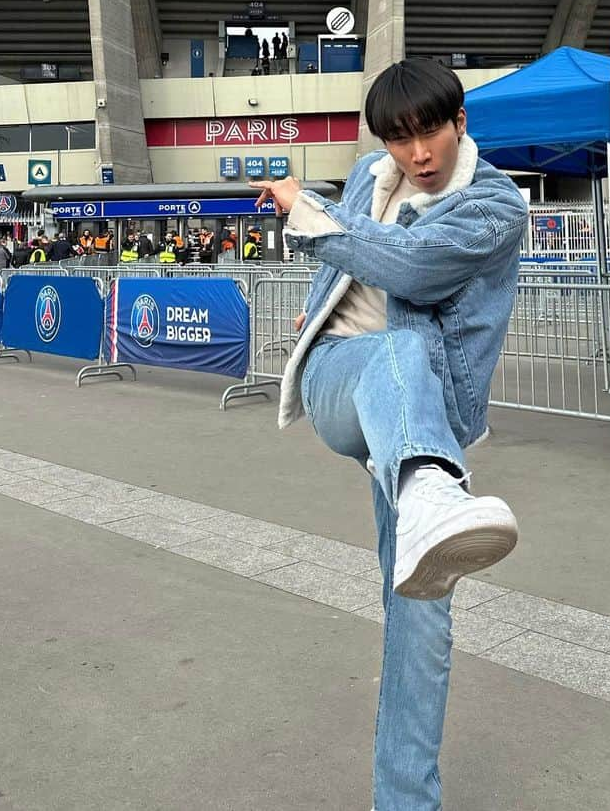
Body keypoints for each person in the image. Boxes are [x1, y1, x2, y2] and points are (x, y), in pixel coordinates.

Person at [251, 57, 526, 811]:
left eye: (430, 131)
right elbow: (349, 270)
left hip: (422, 415)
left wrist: (307, 216)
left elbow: (414, 267)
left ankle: (405, 802)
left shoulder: (497, 206)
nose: (418, 154)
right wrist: (311, 310)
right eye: (400, 139)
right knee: (394, 354)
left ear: (459, 121)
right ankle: (430, 487)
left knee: (420, 609)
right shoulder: (372, 170)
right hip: (341, 378)